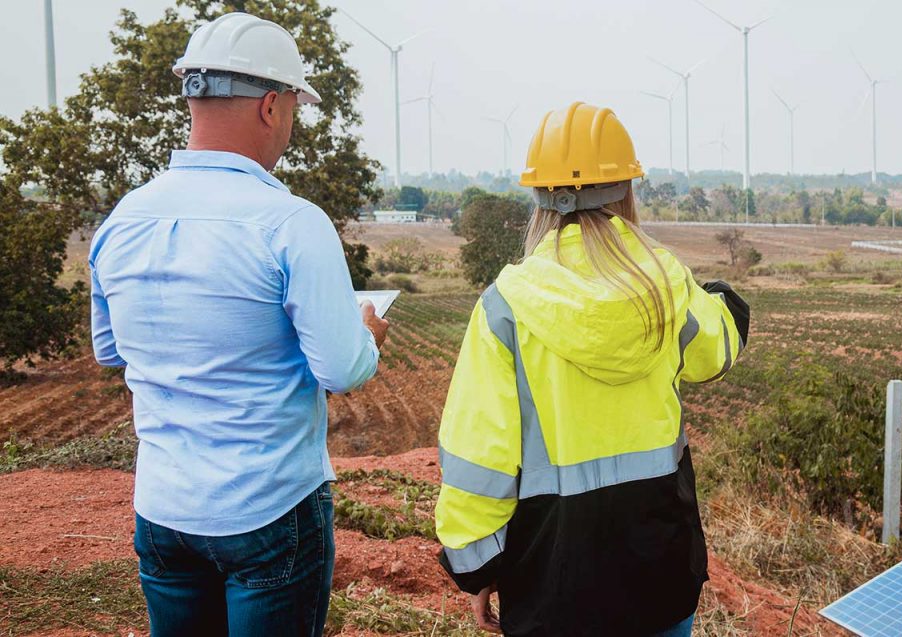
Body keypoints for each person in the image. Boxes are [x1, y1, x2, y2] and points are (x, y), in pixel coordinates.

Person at [89, 13, 388, 637]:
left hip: (163, 512)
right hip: (268, 511)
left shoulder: (123, 220)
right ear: (272, 105)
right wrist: (367, 337)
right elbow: (341, 367)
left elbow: (111, 350)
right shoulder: (290, 222)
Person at [433, 102, 749, 636]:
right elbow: (715, 349)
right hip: (661, 573)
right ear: (626, 189)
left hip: (553, 586)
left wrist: (476, 566)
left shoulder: (506, 306)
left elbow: (478, 457)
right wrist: (726, 303)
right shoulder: (667, 285)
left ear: (539, 198)